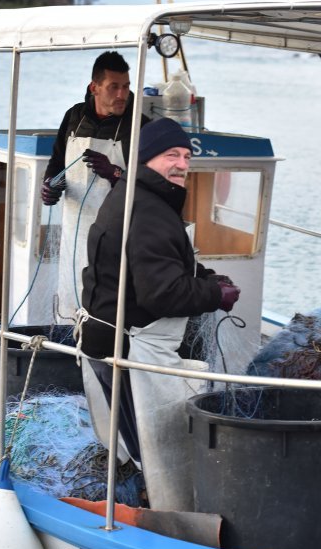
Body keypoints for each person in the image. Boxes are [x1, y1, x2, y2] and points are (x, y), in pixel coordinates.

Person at [78, 118, 240, 510]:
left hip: (105, 340)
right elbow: (162, 293)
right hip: (135, 352)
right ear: (147, 159)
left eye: (186, 156)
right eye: (172, 155)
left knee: (130, 440)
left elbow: (154, 264)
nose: (183, 164)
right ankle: (167, 512)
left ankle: (136, 495)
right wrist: (214, 293)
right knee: (160, 448)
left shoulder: (130, 195)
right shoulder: (150, 211)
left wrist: (202, 276)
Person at [40, 51, 151, 321]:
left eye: (126, 86)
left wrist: (114, 173)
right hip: (73, 235)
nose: (122, 94)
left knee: (105, 312)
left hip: (116, 238)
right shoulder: (74, 117)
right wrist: (49, 187)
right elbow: (56, 164)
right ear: (95, 87)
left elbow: (151, 190)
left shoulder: (140, 127)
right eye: (114, 87)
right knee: (70, 304)